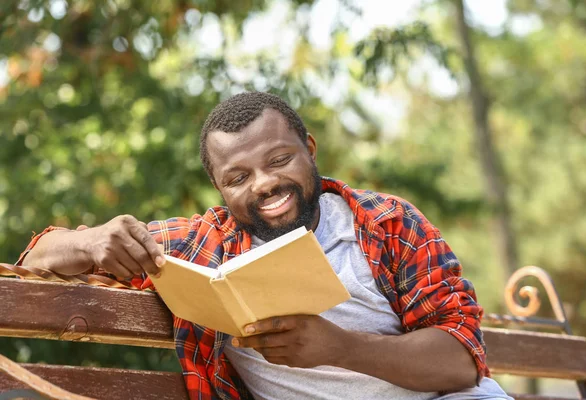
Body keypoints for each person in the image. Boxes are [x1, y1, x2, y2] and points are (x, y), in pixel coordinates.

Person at [19, 92, 512, 400]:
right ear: (219, 188)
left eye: (279, 160)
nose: (265, 185)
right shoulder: (198, 247)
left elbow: (462, 361)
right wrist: (92, 240)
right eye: (238, 177)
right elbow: (36, 257)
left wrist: (338, 347)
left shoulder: (387, 223)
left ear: (310, 150)